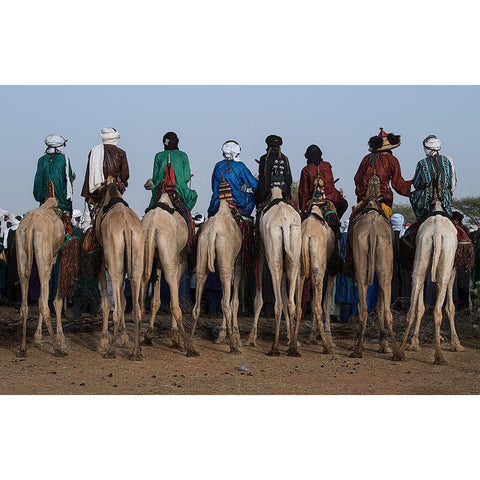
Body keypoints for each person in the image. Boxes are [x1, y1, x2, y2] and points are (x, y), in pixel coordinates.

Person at [403, 135, 474, 272]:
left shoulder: (422, 163)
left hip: (427, 201)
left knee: (415, 199)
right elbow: (453, 185)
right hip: (445, 200)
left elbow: (417, 183)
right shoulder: (448, 161)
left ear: (426, 149)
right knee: (456, 226)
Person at [353, 127, 412, 219]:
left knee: (353, 219)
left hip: (364, 199)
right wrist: (412, 183)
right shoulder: (393, 160)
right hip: (383, 199)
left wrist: (362, 192)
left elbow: (357, 178)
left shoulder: (366, 159)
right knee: (389, 220)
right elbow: (397, 184)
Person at [147, 131, 197, 211]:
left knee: (149, 210)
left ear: (164, 143)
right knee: (193, 196)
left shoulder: (158, 156)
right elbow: (186, 177)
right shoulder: (183, 155)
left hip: (160, 189)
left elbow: (155, 179)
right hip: (178, 190)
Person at [207, 140, 258, 217]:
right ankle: (245, 221)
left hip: (217, 201)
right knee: (252, 199)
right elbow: (254, 184)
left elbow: (214, 186)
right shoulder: (240, 166)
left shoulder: (218, 165)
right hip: (237, 199)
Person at [81, 127, 129, 207]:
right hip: (116, 186)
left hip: (99, 189)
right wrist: (124, 183)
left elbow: (89, 175)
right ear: (115, 139)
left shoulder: (94, 152)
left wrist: (87, 195)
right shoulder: (121, 153)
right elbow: (125, 175)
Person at [298, 144, 348, 219]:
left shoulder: (306, 170)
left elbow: (303, 192)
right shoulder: (327, 165)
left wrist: (303, 209)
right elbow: (330, 185)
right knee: (344, 204)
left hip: (313, 200)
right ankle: (336, 221)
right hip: (330, 198)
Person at [33, 134, 74, 213]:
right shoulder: (63, 159)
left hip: (43, 201)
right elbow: (68, 182)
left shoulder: (41, 159)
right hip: (60, 202)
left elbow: (37, 182)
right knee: (68, 218)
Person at [255, 134, 293, 207]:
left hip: (266, 193)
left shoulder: (264, 158)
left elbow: (262, 179)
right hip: (284, 193)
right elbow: (289, 179)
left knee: (259, 207)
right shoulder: (285, 158)